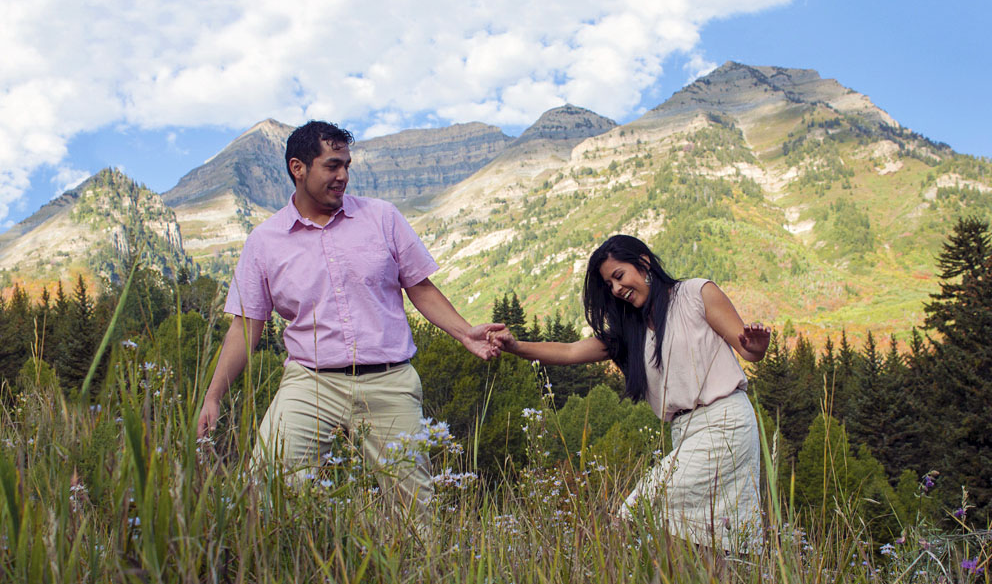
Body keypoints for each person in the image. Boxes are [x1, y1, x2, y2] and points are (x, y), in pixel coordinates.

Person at [196, 120, 503, 518]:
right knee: (267, 491)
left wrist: (465, 333)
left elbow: (420, 287)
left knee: (415, 513)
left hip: (390, 380)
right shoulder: (264, 242)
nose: (343, 176)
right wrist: (213, 396)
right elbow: (246, 327)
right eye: (332, 166)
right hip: (310, 383)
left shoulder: (383, 217)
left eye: (347, 165)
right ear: (298, 168)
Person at [491, 234, 770, 552]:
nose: (616, 289)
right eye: (609, 284)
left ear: (644, 263)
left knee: (636, 513)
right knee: (713, 541)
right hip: (685, 433)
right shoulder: (631, 332)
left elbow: (748, 351)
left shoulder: (697, 293)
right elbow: (569, 351)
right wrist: (515, 347)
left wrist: (757, 346)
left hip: (725, 423)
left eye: (619, 276)